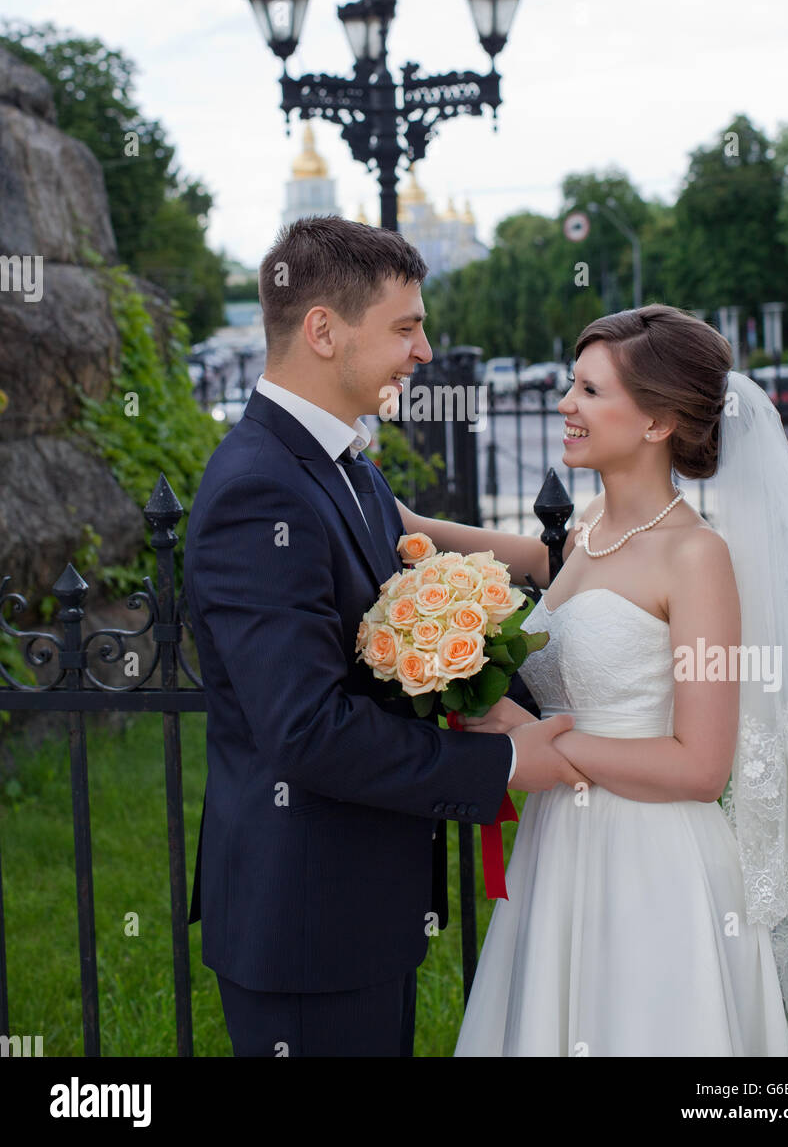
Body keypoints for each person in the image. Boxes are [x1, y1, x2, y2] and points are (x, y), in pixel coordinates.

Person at [184, 213, 586, 1058]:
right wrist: (510, 763)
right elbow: (306, 730)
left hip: (356, 911)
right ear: (323, 330)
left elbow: (408, 564)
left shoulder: (344, 464)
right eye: (406, 327)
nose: (425, 351)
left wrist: (572, 565)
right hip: (304, 926)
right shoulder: (260, 490)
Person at [445, 304, 788, 1056]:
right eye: (571, 385)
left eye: (590, 392)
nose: (566, 404)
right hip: (558, 847)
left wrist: (539, 743)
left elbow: (702, 767)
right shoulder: (589, 537)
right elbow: (500, 554)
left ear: (657, 423)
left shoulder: (695, 557)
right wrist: (390, 516)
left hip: (650, 857)